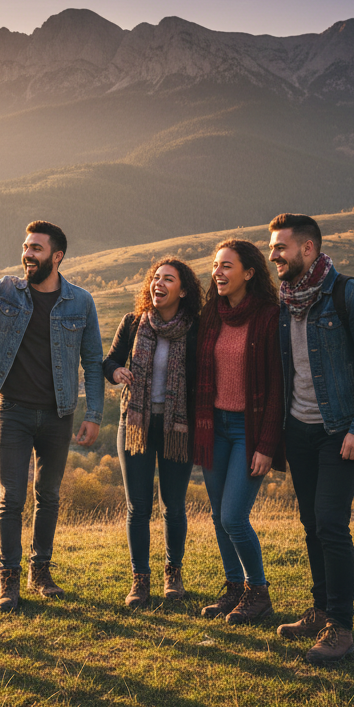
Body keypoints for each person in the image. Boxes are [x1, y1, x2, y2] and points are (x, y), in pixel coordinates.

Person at [0, 221, 103, 611]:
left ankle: (40, 571)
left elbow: (94, 360)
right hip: (11, 411)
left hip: (58, 414)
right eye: (26, 247)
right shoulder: (5, 290)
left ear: (57, 256)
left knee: (47, 495)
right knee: (10, 498)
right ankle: (8, 579)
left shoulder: (80, 302)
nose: (28, 254)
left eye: (37, 248)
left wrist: (94, 413)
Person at [268, 213, 354, 662]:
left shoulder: (350, 296)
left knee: (331, 524)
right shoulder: (284, 301)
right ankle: (320, 611)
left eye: (281, 246)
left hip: (340, 430)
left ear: (308, 248)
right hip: (298, 430)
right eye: (272, 246)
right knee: (310, 525)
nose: (273, 254)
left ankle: (341, 628)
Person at [103, 258, 202, 607]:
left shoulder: (195, 329)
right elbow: (110, 361)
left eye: (168, 279)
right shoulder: (133, 323)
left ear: (183, 290)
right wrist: (116, 373)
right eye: (156, 278)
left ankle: (172, 574)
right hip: (135, 425)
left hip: (177, 428)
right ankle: (139, 580)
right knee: (138, 508)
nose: (158, 284)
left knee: (173, 507)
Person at [195, 239, 285, 624]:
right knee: (218, 515)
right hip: (213, 426)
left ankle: (258, 592)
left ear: (249, 273)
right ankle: (233, 590)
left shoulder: (268, 317)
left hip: (248, 430)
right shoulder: (211, 314)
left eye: (227, 266)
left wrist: (267, 445)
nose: (218, 272)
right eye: (216, 265)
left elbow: (279, 387)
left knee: (234, 516)